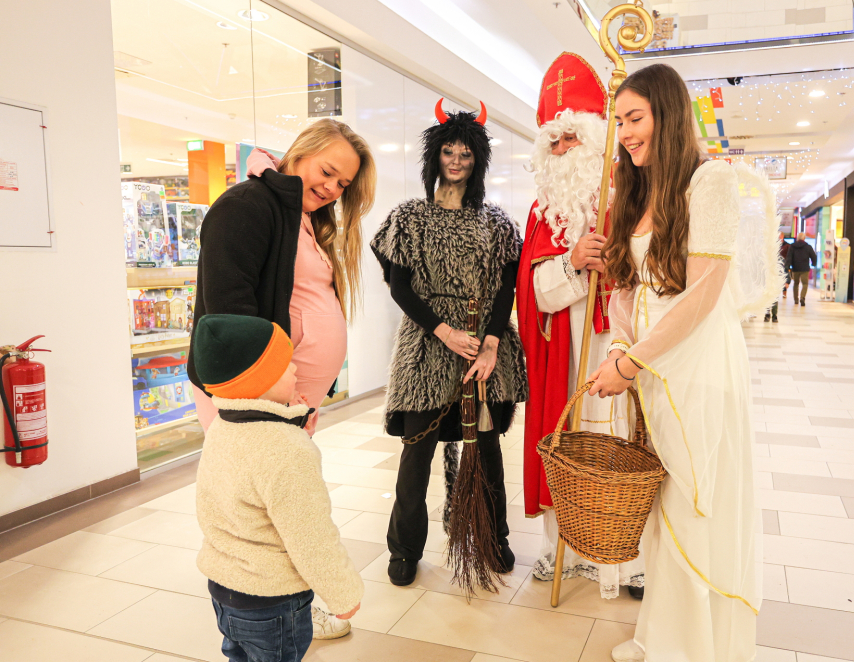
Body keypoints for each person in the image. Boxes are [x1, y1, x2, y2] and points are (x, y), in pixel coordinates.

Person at [587, 64, 762, 662]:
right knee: (664, 507)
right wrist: (619, 346)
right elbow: (625, 288)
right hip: (654, 369)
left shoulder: (709, 180)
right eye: (619, 122)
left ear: (667, 114)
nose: (626, 133)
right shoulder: (635, 190)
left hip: (697, 366)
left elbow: (704, 294)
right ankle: (662, 637)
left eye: (635, 118)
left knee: (694, 501)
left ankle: (695, 649)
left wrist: (630, 362)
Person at [371, 101, 528, 588]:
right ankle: (404, 549)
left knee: (487, 450)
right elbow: (400, 288)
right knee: (416, 453)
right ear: (434, 156)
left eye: (466, 153)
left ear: (477, 160)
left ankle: (494, 538)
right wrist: (443, 331)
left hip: (483, 347)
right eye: (448, 152)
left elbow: (507, 288)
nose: (456, 160)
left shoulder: (497, 223)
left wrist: (491, 344)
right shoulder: (409, 218)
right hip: (425, 348)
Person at [516, 52, 644, 599]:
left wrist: (618, 262)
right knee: (566, 441)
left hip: (619, 344)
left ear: (595, 138)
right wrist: (571, 263)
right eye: (554, 141)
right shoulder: (542, 211)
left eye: (572, 137)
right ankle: (562, 547)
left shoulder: (633, 195)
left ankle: (627, 559)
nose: (564, 149)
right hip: (565, 352)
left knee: (620, 440)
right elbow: (533, 294)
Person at [189, 119, 376, 438]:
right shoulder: (246, 204)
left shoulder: (302, 215)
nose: (332, 188)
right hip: (257, 395)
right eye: (327, 172)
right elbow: (229, 311)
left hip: (284, 397)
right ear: (301, 152)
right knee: (251, 471)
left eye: (343, 184)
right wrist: (274, 386)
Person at [193, 314, 364, 661]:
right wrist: (343, 595)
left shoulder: (222, 427)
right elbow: (311, 537)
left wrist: (290, 421)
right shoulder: (288, 451)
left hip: (225, 592)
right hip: (273, 603)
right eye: (285, 364)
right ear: (260, 379)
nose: (296, 368)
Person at [787, 232, 816, 306]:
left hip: (795, 268)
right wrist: (814, 263)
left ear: (797, 238)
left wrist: (788, 266)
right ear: (804, 238)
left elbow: (789, 257)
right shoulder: (808, 247)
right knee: (805, 284)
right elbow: (813, 256)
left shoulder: (792, 246)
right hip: (805, 268)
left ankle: (796, 300)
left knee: (796, 284)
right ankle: (802, 297)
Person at [765, 231, 788, 323]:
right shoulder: (767, 252)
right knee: (768, 296)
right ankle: (768, 314)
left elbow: (784, 268)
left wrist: (787, 280)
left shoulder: (780, 255)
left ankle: (774, 315)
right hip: (768, 277)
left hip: (775, 278)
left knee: (774, 297)